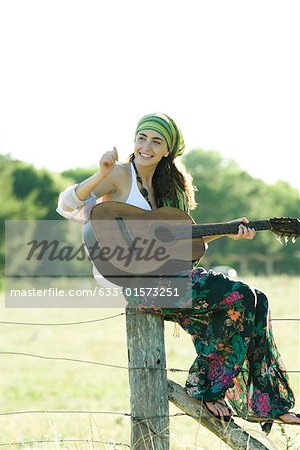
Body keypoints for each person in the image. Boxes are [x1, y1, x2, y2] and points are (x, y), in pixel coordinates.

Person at [56, 112, 300, 433]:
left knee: (258, 300)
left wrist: (228, 231)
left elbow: (182, 243)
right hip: (136, 283)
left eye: (156, 141)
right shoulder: (118, 175)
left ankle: (269, 404)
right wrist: (99, 174)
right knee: (239, 296)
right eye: (142, 138)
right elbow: (67, 206)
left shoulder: (172, 190)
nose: (146, 146)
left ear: (167, 150)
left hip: (166, 278)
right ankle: (206, 390)